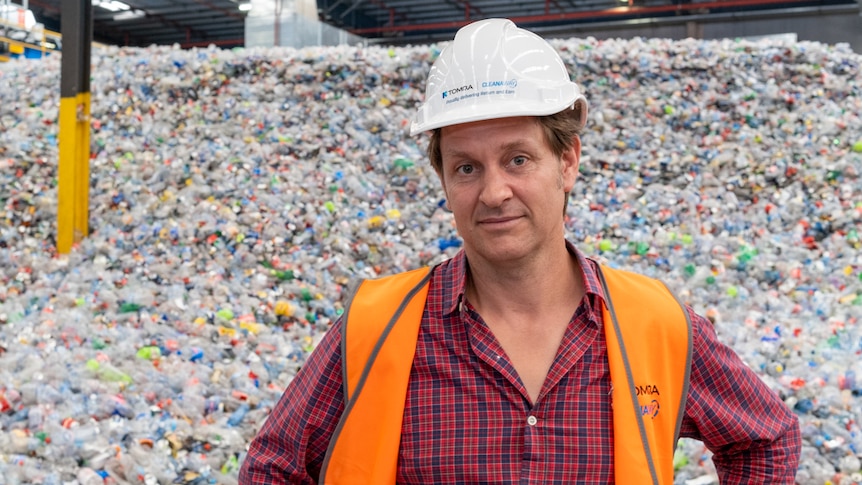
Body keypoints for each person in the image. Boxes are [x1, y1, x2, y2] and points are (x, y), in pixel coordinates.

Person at [239, 18, 801, 484]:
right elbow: (272, 468)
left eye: (518, 159)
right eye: (466, 167)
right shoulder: (374, 327)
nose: (493, 192)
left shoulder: (654, 324)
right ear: (443, 180)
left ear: (568, 161)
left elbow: (766, 440)